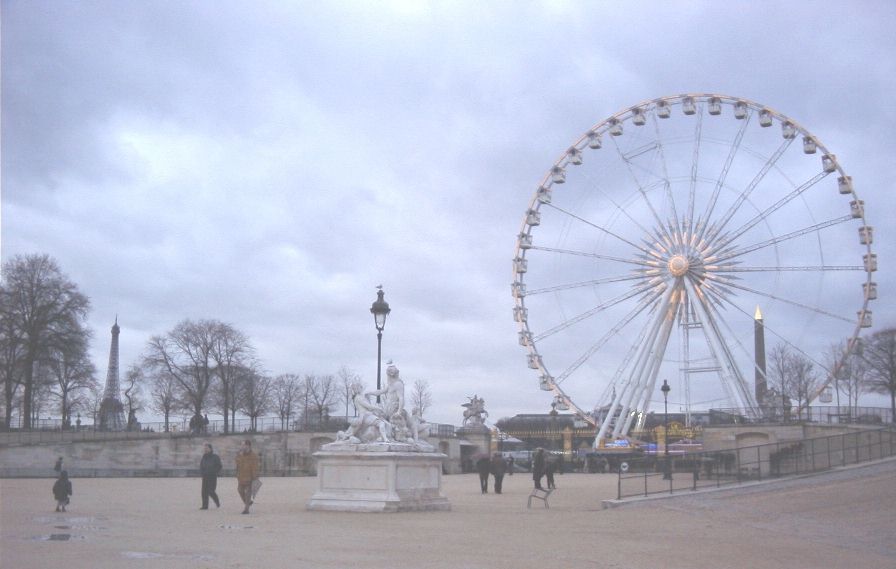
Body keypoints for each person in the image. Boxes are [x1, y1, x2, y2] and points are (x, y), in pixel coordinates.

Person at [235, 439, 259, 514]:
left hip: (249, 477)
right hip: (241, 477)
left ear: (248, 446)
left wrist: (254, 477)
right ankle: (248, 502)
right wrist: (239, 455)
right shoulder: (240, 454)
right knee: (240, 490)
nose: (241, 446)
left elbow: (255, 467)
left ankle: (246, 509)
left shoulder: (253, 456)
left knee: (248, 493)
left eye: (243, 445)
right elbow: (237, 463)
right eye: (241, 445)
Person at [199, 443, 222, 509]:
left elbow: (219, 466)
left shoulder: (215, 457)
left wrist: (215, 472)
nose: (205, 450)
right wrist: (202, 472)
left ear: (210, 449)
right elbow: (201, 465)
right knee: (204, 492)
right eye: (204, 448)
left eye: (207, 448)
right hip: (205, 476)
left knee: (211, 491)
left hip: (212, 476)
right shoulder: (204, 457)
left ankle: (216, 501)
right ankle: (205, 506)